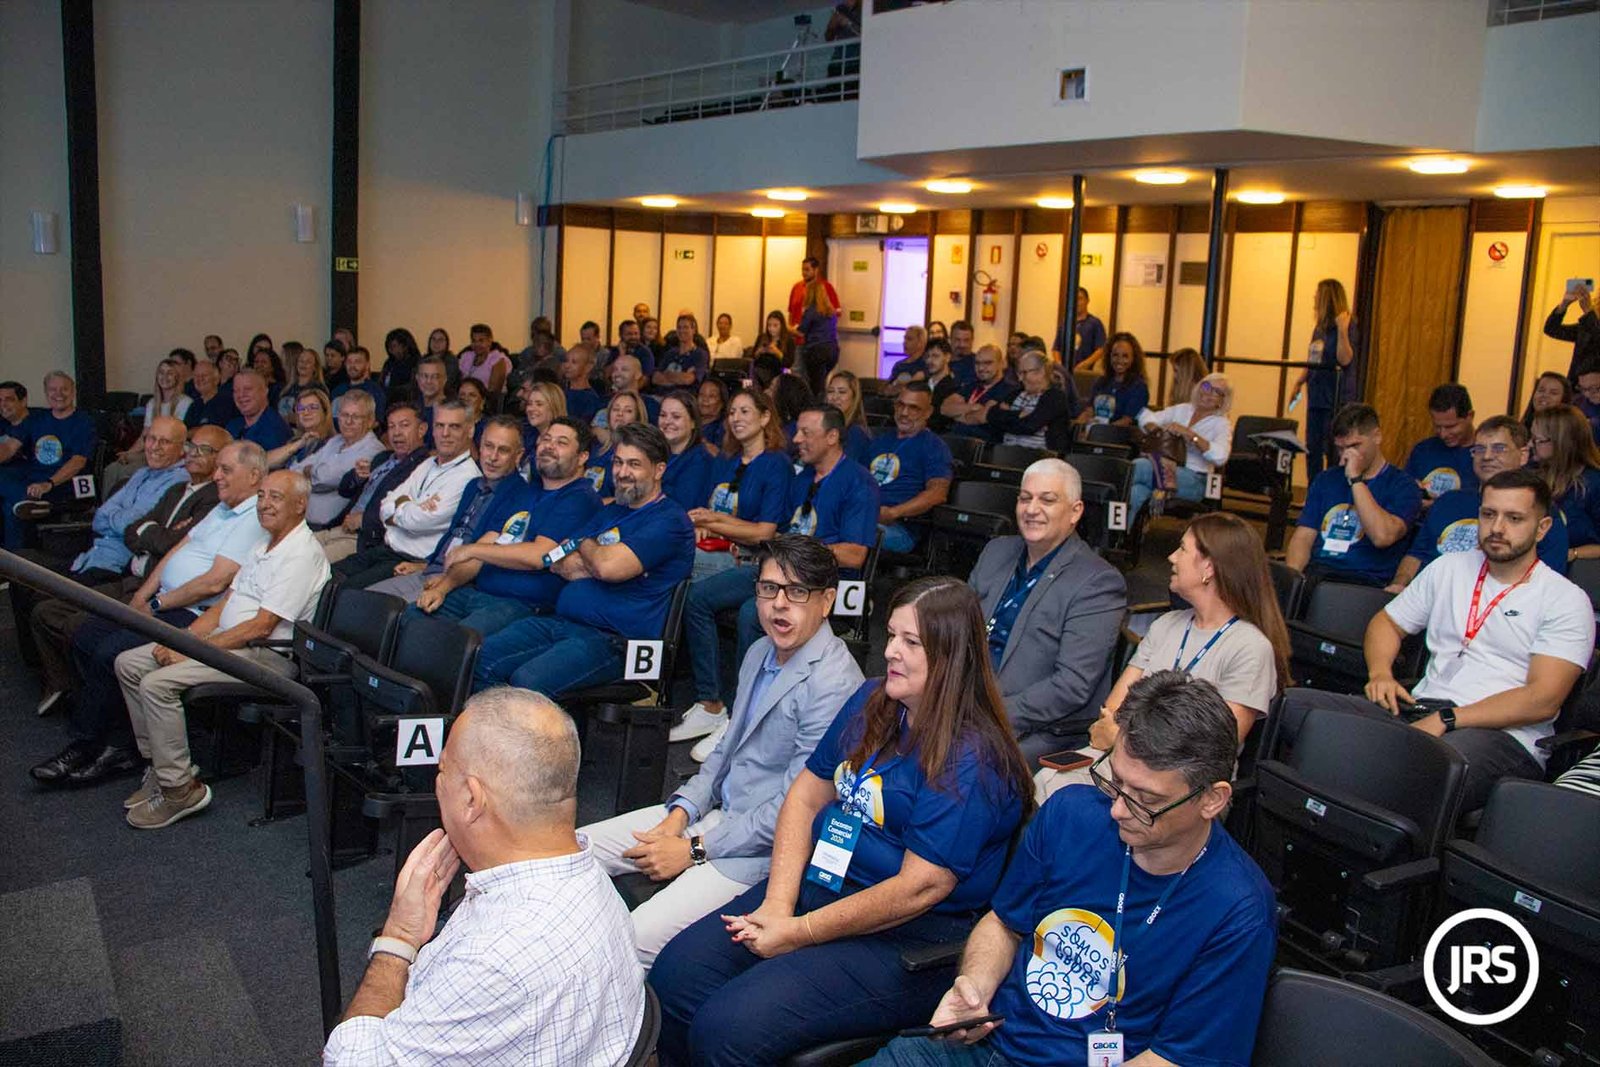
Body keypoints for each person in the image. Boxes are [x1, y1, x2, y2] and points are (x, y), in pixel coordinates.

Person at [651, 577, 1033, 1064]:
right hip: (822, 884)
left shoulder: (972, 759)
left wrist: (798, 931)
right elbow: (805, 798)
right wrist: (778, 904)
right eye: (891, 635)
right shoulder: (875, 699)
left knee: (727, 1029)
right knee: (676, 977)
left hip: (904, 935)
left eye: (911, 642)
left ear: (952, 657)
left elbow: (918, 888)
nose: (890, 651)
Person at [868, 671, 1277, 1067]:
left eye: (1146, 800)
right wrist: (975, 987)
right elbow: (1005, 923)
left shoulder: (1237, 909)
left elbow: (1178, 1058)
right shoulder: (1070, 813)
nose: (1117, 810)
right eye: (1115, 781)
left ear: (1212, 799)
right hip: (986, 1042)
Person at [322, 688, 644, 1065]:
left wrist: (398, 939)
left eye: (443, 771)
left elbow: (349, 1061)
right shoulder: (592, 878)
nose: (438, 782)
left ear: (472, 799)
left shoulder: (491, 959)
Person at [583, 537, 864, 968]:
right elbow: (725, 750)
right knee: (573, 850)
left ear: (826, 601)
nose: (779, 604)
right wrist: (680, 814)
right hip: (714, 816)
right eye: (769, 588)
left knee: (629, 942)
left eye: (797, 591)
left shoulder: (834, 683)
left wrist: (694, 849)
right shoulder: (760, 651)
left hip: (760, 850)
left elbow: (794, 811)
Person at [1353, 469, 1596, 811]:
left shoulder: (1564, 599)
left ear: (1542, 528)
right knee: (1305, 714)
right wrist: (1380, 673)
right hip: (1419, 707)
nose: (1497, 527)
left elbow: (1542, 700)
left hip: (1504, 736)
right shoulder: (1449, 567)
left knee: (1413, 770)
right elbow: (1387, 623)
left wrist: (1449, 718)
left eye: (1514, 518)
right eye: (1488, 514)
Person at [29, 432, 249, 788]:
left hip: (193, 612)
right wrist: (141, 600)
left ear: (253, 476)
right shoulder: (222, 509)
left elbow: (214, 583)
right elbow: (174, 551)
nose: (217, 476)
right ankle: (114, 735)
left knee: (110, 652)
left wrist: (157, 604)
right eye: (218, 468)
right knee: (86, 633)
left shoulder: (251, 517)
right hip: (161, 596)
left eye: (225, 469)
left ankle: (94, 744)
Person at [114, 468, 330, 828]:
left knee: (156, 684)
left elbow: (261, 626)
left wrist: (191, 652)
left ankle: (179, 789)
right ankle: (160, 767)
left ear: (300, 505)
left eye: (275, 497)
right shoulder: (263, 544)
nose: (264, 504)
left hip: (266, 655)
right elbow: (222, 606)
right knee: (129, 663)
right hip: (230, 642)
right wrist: (185, 640)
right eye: (261, 495)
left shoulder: (301, 554)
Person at [472, 422, 695, 697]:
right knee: (480, 658)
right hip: (563, 622)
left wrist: (586, 545)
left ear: (659, 470)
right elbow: (556, 559)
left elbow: (607, 567)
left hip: (614, 640)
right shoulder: (611, 511)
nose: (622, 472)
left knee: (527, 680)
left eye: (634, 464)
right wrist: (598, 558)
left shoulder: (669, 520)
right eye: (618, 462)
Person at [1089, 513, 1291, 756]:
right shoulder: (1166, 624)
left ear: (1209, 567)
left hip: (1180, 777)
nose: (1171, 557)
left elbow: (1212, 750)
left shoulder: (1250, 649)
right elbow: (1112, 711)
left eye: (1182, 549)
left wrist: (1121, 740)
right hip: (1120, 761)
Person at [970, 459, 1127, 759]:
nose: (1031, 509)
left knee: (951, 759)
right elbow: (958, 627)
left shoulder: (1098, 582)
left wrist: (991, 714)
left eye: (1047, 500)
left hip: (1031, 726)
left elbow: (1071, 686)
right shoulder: (996, 551)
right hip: (968, 696)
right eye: (1025, 498)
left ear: (1075, 512)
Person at [9, 416, 191, 675]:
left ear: (181, 448)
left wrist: (115, 517)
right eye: (151, 439)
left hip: (116, 567)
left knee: (41, 602)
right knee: (20, 573)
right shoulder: (142, 473)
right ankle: (39, 667)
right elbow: (101, 516)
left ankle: (58, 677)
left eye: (165, 442)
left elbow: (133, 522)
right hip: (91, 555)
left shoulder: (178, 481)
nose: (155, 447)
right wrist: (117, 518)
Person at [673, 390, 796, 748]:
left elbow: (764, 533)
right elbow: (710, 515)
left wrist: (714, 522)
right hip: (717, 553)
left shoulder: (776, 464)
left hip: (758, 562)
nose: (736, 418)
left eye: (745, 411)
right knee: (674, 577)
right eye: (731, 412)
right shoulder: (726, 461)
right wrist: (707, 525)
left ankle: (732, 709)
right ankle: (707, 702)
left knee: (698, 598)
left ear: (765, 417)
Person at [401, 418, 601, 629]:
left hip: (521, 604)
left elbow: (539, 556)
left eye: (561, 442)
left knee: (457, 638)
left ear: (582, 457)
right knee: (411, 616)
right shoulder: (526, 493)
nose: (550, 446)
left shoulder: (580, 497)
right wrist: (443, 587)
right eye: (546, 439)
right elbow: (485, 546)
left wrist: (472, 549)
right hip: (477, 593)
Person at [1391, 416, 1569, 589]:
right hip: (1424, 597)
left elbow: (1544, 584)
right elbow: (1416, 555)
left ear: (1523, 455)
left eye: (1499, 448)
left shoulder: (1538, 512)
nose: (1487, 456)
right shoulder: (1448, 501)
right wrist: (1399, 584)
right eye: (1480, 449)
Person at [332, 401, 481, 589]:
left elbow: (418, 521)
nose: (445, 433)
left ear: (470, 430)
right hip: (386, 550)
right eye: (440, 425)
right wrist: (409, 505)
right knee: (328, 577)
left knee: (346, 591)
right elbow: (385, 505)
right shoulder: (428, 464)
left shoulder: (468, 477)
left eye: (454, 427)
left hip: (412, 560)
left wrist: (401, 506)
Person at [1287, 403, 1421, 586]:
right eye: (1340, 449)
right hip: (1319, 574)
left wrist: (1356, 480)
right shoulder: (1326, 480)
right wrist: (1293, 579)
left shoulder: (1403, 485)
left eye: (1355, 446)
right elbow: (1303, 537)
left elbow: (1382, 536)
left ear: (1377, 436)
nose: (1346, 456)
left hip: (1364, 581)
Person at [316, 403, 429, 563]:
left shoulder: (423, 466)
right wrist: (357, 477)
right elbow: (344, 490)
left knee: (306, 562)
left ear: (421, 429)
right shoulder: (382, 458)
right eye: (391, 426)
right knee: (286, 549)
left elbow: (407, 514)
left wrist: (364, 520)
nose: (397, 432)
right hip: (339, 528)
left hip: (365, 539)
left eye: (404, 425)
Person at [0, 371, 98, 548]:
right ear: (46, 393)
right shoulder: (37, 418)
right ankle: (25, 502)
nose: (58, 394)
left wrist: (48, 484)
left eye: (64, 389)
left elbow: (78, 462)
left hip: (64, 485)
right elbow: (9, 448)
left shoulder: (84, 422)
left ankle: (18, 557)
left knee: (10, 506)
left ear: (73, 391)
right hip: (33, 484)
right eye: (53, 389)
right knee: (11, 500)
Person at [1128, 371, 1234, 520]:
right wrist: (1157, 429)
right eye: (1206, 386)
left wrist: (1191, 435)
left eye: (1217, 392)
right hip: (1164, 467)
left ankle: (1105, 493)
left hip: (1194, 479)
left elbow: (1221, 456)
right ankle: (1117, 534)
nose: (1208, 392)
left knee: (1138, 466)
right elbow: (1145, 416)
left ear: (1222, 401)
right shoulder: (1183, 409)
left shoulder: (1222, 424)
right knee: (1136, 493)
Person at [869, 383, 953, 553]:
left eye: (913, 408)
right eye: (900, 405)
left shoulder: (934, 447)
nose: (904, 413)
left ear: (928, 412)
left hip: (900, 528)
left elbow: (937, 493)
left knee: (853, 530)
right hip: (864, 516)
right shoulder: (879, 441)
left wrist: (894, 512)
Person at [1291, 278, 1361, 479]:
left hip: (1336, 397)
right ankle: (1314, 489)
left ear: (1327, 298)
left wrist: (1342, 330)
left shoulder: (1348, 324)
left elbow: (1345, 359)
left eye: (1317, 295)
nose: (1314, 298)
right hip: (1317, 395)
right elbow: (1313, 358)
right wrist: (1299, 381)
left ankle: (1332, 489)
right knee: (1312, 448)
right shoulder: (1319, 328)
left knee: (1333, 448)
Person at [289, 390, 384, 528]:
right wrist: (309, 472)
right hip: (302, 522)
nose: (348, 421)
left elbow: (325, 478)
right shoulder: (335, 441)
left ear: (370, 421)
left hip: (332, 528)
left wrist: (310, 472)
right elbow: (294, 470)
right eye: (344, 415)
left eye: (356, 417)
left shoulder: (373, 450)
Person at [1532, 403, 1600, 561]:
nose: (1531, 445)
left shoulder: (1594, 483)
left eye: (1538, 440)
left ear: (1561, 442)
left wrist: (1571, 554)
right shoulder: (1533, 476)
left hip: (1579, 568)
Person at [109, 359, 193, 481]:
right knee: (112, 469)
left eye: (170, 373)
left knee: (126, 472)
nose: (164, 377)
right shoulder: (152, 403)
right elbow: (145, 435)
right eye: (161, 372)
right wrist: (129, 453)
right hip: (150, 451)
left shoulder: (185, 402)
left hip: (169, 454)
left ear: (177, 377)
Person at [986, 349, 1076, 452]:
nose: (1020, 379)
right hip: (1005, 452)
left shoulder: (1055, 397)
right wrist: (1018, 415)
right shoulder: (1016, 393)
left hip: (1040, 456)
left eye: (1024, 373)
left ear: (1041, 372)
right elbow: (991, 415)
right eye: (1019, 373)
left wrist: (1004, 417)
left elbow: (1029, 426)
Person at [1405, 383, 1477, 500]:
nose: (1443, 434)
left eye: (1450, 427)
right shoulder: (1423, 451)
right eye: (1437, 426)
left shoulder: (1486, 455)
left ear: (1470, 416)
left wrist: (1437, 504)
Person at [941, 343, 1018, 443]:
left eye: (988, 363)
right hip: (954, 440)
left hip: (983, 445)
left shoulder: (1008, 390)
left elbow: (982, 417)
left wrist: (958, 415)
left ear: (1001, 363)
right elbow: (945, 408)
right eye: (977, 363)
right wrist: (974, 407)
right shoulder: (971, 386)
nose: (981, 368)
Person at [1078, 331, 1151, 427]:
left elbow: (1127, 421)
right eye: (1115, 355)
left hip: (1119, 434)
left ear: (1133, 359)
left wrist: (1101, 431)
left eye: (1125, 356)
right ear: (1109, 356)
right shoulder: (1101, 382)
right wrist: (1080, 423)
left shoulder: (1139, 387)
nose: (1119, 360)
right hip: (1095, 431)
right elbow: (1090, 410)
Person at [658, 390, 715, 509]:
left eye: (676, 417)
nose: (667, 421)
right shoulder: (656, 454)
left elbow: (683, 507)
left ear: (693, 422)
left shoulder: (700, 461)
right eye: (663, 415)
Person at [587, 390, 645, 496]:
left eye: (628, 411)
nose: (620, 414)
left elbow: (634, 498)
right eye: (616, 409)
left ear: (638, 418)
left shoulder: (641, 454)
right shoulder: (595, 448)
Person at [223, 369, 292, 453]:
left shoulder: (274, 429)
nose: (241, 395)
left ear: (265, 391)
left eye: (247, 389)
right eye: (236, 390)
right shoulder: (233, 425)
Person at [264, 387, 334, 470]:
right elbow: (263, 463)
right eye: (301, 408)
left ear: (325, 411)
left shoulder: (333, 443)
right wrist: (298, 444)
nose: (306, 412)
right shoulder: (295, 442)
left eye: (312, 407)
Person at [1543, 280, 1599, 380]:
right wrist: (1564, 304)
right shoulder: (1587, 326)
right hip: (1576, 386)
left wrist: (1588, 312)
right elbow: (1551, 329)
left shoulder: (1590, 322)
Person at [796, 276, 841, 396]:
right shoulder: (831, 311)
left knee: (815, 386)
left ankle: (817, 404)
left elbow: (801, 331)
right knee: (822, 382)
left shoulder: (811, 311)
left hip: (816, 351)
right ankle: (824, 401)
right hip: (832, 350)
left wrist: (788, 329)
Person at [823, 369, 874, 464]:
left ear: (854, 397)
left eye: (842, 392)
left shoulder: (856, 433)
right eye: (830, 391)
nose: (835, 397)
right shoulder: (824, 426)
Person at [787, 257, 841, 344]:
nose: (804, 273)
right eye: (802, 269)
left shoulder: (826, 287)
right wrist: (791, 330)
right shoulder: (796, 287)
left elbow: (836, 313)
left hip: (817, 342)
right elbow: (791, 312)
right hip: (797, 339)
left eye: (807, 270)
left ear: (816, 270)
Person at [1052, 286, 1107, 369]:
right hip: (1065, 370)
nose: (1077, 302)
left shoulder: (1095, 323)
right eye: (1075, 299)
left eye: (1080, 299)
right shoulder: (1065, 323)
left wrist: (1085, 364)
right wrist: (1059, 363)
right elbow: (1056, 348)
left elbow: (1101, 349)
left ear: (1087, 301)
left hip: (1086, 372)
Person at [330, 346, 387, 422]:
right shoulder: (337, 391)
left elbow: (377, 422)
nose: (352, 366)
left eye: (357, 362)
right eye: (349, 362)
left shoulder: (375, 391)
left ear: (367, 365)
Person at [655, 313, 710, 391]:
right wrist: (680, 377)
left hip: (684, 395)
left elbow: (688, 380)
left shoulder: (700, 354)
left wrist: (667, 374)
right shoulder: (670, 352)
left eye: (685, 327)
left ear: (694, 330)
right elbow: (655, 378)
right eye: (679, 327)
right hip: (659, 394)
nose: (681, 331)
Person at [276, 343, 327, 422]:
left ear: (315, 367)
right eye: (301, 361)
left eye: (308, 362)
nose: (304, 364)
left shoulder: (318, 389)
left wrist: (293, 418)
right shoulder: (288, 387)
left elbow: (320, 416)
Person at [458, 322, 510, 394]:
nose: (477, 344)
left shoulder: (497, 360)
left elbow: (493, 392)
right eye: (473, 341)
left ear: (489, 341)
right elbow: (458, 383)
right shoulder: (466, 357)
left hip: (488, 399)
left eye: (481, 340)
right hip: (465, 397)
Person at [520, 379, 566, 461]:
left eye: (539, 404)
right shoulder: (526, 434)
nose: (531, 409)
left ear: (554, 407)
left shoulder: (564, 441)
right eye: (529, 404)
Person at [563, 341, 605, 424]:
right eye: (566, 361)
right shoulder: (561, 392)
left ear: (588, 367)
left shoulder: (590, 400)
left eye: (574, 362)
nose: (567, 365)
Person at [883, 324, 929, 398]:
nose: (904, 342)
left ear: (920, 343)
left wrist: (900, 384)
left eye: (909, 339)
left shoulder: (927, 363)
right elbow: (887, 389)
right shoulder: (899, 364)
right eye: (904, 338)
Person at [411, 355, 448, 429]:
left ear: (444, 380)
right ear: (417, 378)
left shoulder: (452, 411)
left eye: (435, 376)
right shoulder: (412, 408)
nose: (429, 381)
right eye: (424, 376)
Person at [697, 376, 728, 450]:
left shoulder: (723, 428)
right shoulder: (689, 422)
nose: (705, 399)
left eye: (711, 396)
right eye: (701, 394)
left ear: (722, 403)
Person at [947, 320, 978, 387]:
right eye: (957, 340)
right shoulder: (941, 362)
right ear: (950, 339)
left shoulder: (979, 363)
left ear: (972, 340)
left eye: (966, 340)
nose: (962, 345)